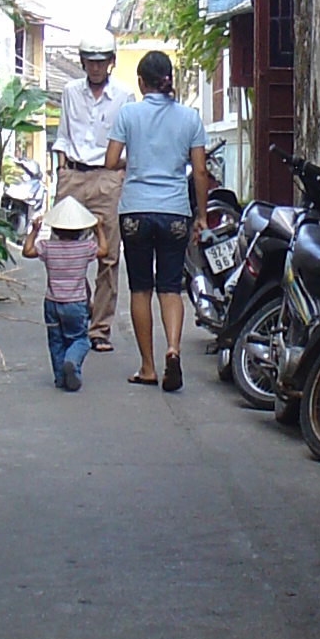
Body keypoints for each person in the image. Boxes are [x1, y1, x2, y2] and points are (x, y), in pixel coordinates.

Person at [105, 47, 208, 391]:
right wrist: (202, 216)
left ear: (140, 82)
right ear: (169, 81)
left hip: (135, 210)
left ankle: (148, 367)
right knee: (169, 287)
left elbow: (110, 161)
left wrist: (133, 163)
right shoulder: (190, 118)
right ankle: (174, 349)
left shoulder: (128, 114)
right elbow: (201, 171)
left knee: (140, 288)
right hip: (175, 212)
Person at [54, 37, 128, 353]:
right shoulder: (70, 92)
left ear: (111, 60)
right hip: (72, 174)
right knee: (63, 252)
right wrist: (61, 170)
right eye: (90, 60)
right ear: (82, 61)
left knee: (107, 255)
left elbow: (130, 140)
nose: (96, 67)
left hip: (107, 178)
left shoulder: (124, 96)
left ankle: (100, 328)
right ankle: (72, 317)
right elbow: (62, 134)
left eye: (101, 60)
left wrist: (118, 174)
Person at [21, 194, 99, 392]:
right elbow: (105, 250)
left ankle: (60, 378)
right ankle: (72, 362)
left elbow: (27, 251)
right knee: (80, 339)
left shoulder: (48, 247)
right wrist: (99, 229)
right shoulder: (85, 247)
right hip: (76, 303)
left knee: (56, 340)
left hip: (52, 303)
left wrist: (35, 231)